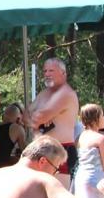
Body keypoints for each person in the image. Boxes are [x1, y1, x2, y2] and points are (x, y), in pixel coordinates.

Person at [27, 58, 79, 187]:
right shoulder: (44, 93)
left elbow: (38, 118)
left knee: (58, 195)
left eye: (51, 70)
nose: (47, 74)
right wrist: (37, 119)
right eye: (45, 71)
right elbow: (25, 116)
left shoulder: (65, 93)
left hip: (60, 149)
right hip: (41, 149)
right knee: (39, 194)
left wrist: (38, 118)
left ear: (63, 73)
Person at [72, 104, 104, 198]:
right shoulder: (101, 139)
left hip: (81, 177)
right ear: (95, 119)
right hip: (96, 179)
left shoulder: (79, 137)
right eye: (102, 116)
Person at [0, 103, 28, 169]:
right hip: (0, 169)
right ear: (18, 119)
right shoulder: (17, 128)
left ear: (2, 117)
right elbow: (27, 153)